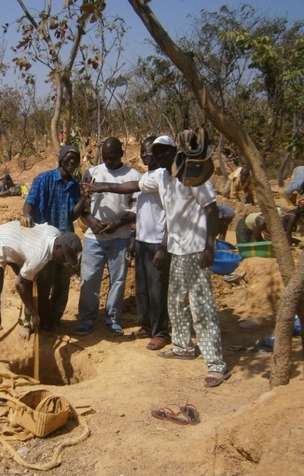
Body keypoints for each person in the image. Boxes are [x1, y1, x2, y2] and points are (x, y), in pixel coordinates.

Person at [83, 135, 229, 388]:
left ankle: (216, 364)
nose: (159, 157)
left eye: (164, 152)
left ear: (175, 152)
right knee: (176, 302)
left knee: (201, 306)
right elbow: (131, 186)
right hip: (175, 249)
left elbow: (211, 210)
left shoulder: (193, 175)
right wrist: (101, 188)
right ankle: (183, 347)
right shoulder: (161, 177)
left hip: (195, 251)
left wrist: (209, 246)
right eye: (156, 153)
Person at [0, 221, 82, 366]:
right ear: (58, 247)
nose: (63, 261)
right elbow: (20, 284)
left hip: (17, 247)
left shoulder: (56, 234)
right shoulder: (39, 256)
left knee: (29, 280)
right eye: (64, 256)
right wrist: (34, 313)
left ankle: (41, 323)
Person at [19, 144, 88, 336]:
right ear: (61, 157)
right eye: (69, 157)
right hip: (45, 243)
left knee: (61, 286)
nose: (72, 161)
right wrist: (26, 216)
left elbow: (73, 216)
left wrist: (83, 200)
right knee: (41, 283)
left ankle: (52, 322)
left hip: (65, 244)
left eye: (76, 158)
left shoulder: (74, 185)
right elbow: (29, 203)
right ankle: (29, 320)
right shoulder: (44, 179)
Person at [76, 137, 140, 336]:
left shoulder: (133, 175)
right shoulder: (92, 173)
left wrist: (118, 224)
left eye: (113, 158)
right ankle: (87, 318)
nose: (108, 161)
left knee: (118, 280)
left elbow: (137, 207)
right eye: (105, 157)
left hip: (120, 237)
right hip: (93, 238)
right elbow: (81, 203)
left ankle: (112, 319)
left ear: (122, 154)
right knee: (88, 279)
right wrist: (90, 220)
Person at [126, 136, 171, 350]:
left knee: (157, 290)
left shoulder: (162, 176)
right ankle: (146, 325)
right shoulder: (147, 176)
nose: (145, 154)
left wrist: (164, 246)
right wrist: (134, 240)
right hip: (143, 241)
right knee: (142, 289)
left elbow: (172, 215)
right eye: (143, 150)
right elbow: (142, 214)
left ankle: (161, 332)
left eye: (149, 151)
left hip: (157, 243)